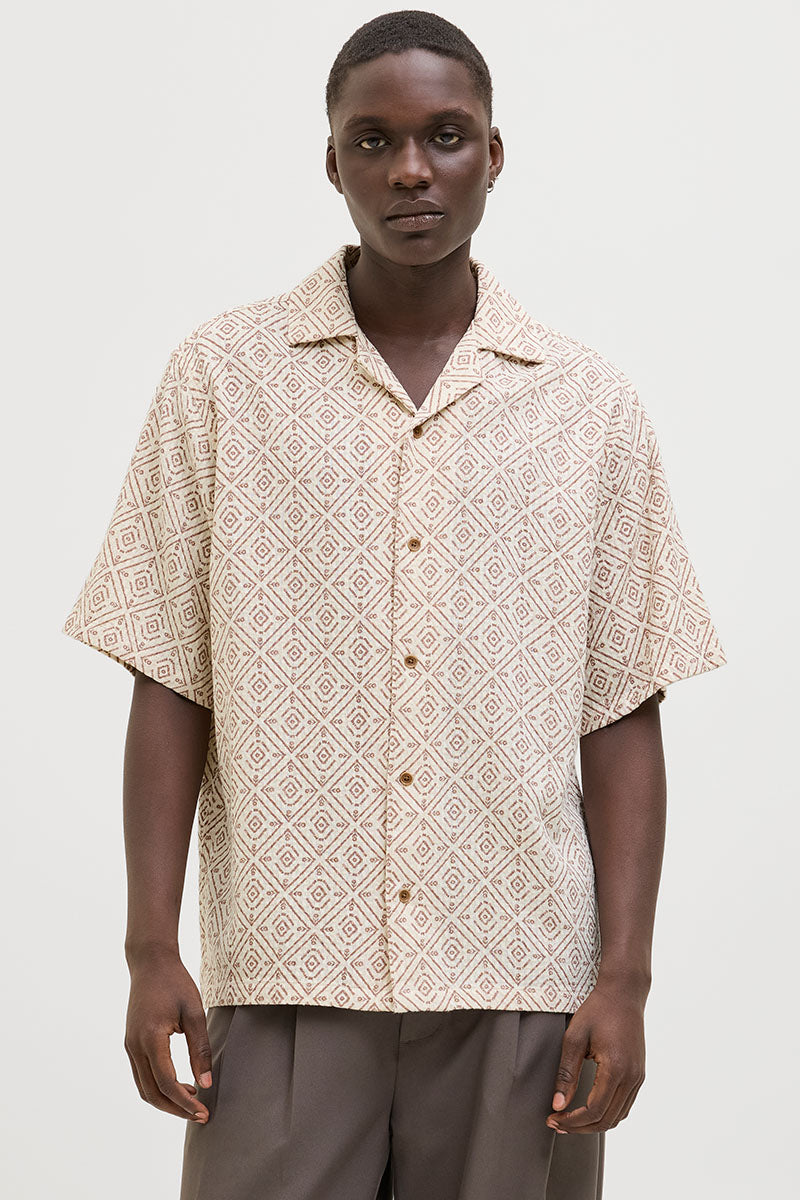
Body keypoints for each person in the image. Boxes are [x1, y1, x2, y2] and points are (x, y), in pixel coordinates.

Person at [61, 10, 727, 1200]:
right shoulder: (222, 379)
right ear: (332, 162)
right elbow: (170, 675)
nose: (411, 169)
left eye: (444, 136)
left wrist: (622, 977)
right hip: (283, 969)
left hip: (519, 976)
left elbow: (622, 707)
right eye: (373, 141)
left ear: (492, 154)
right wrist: (148, 944)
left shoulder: (588, 407)